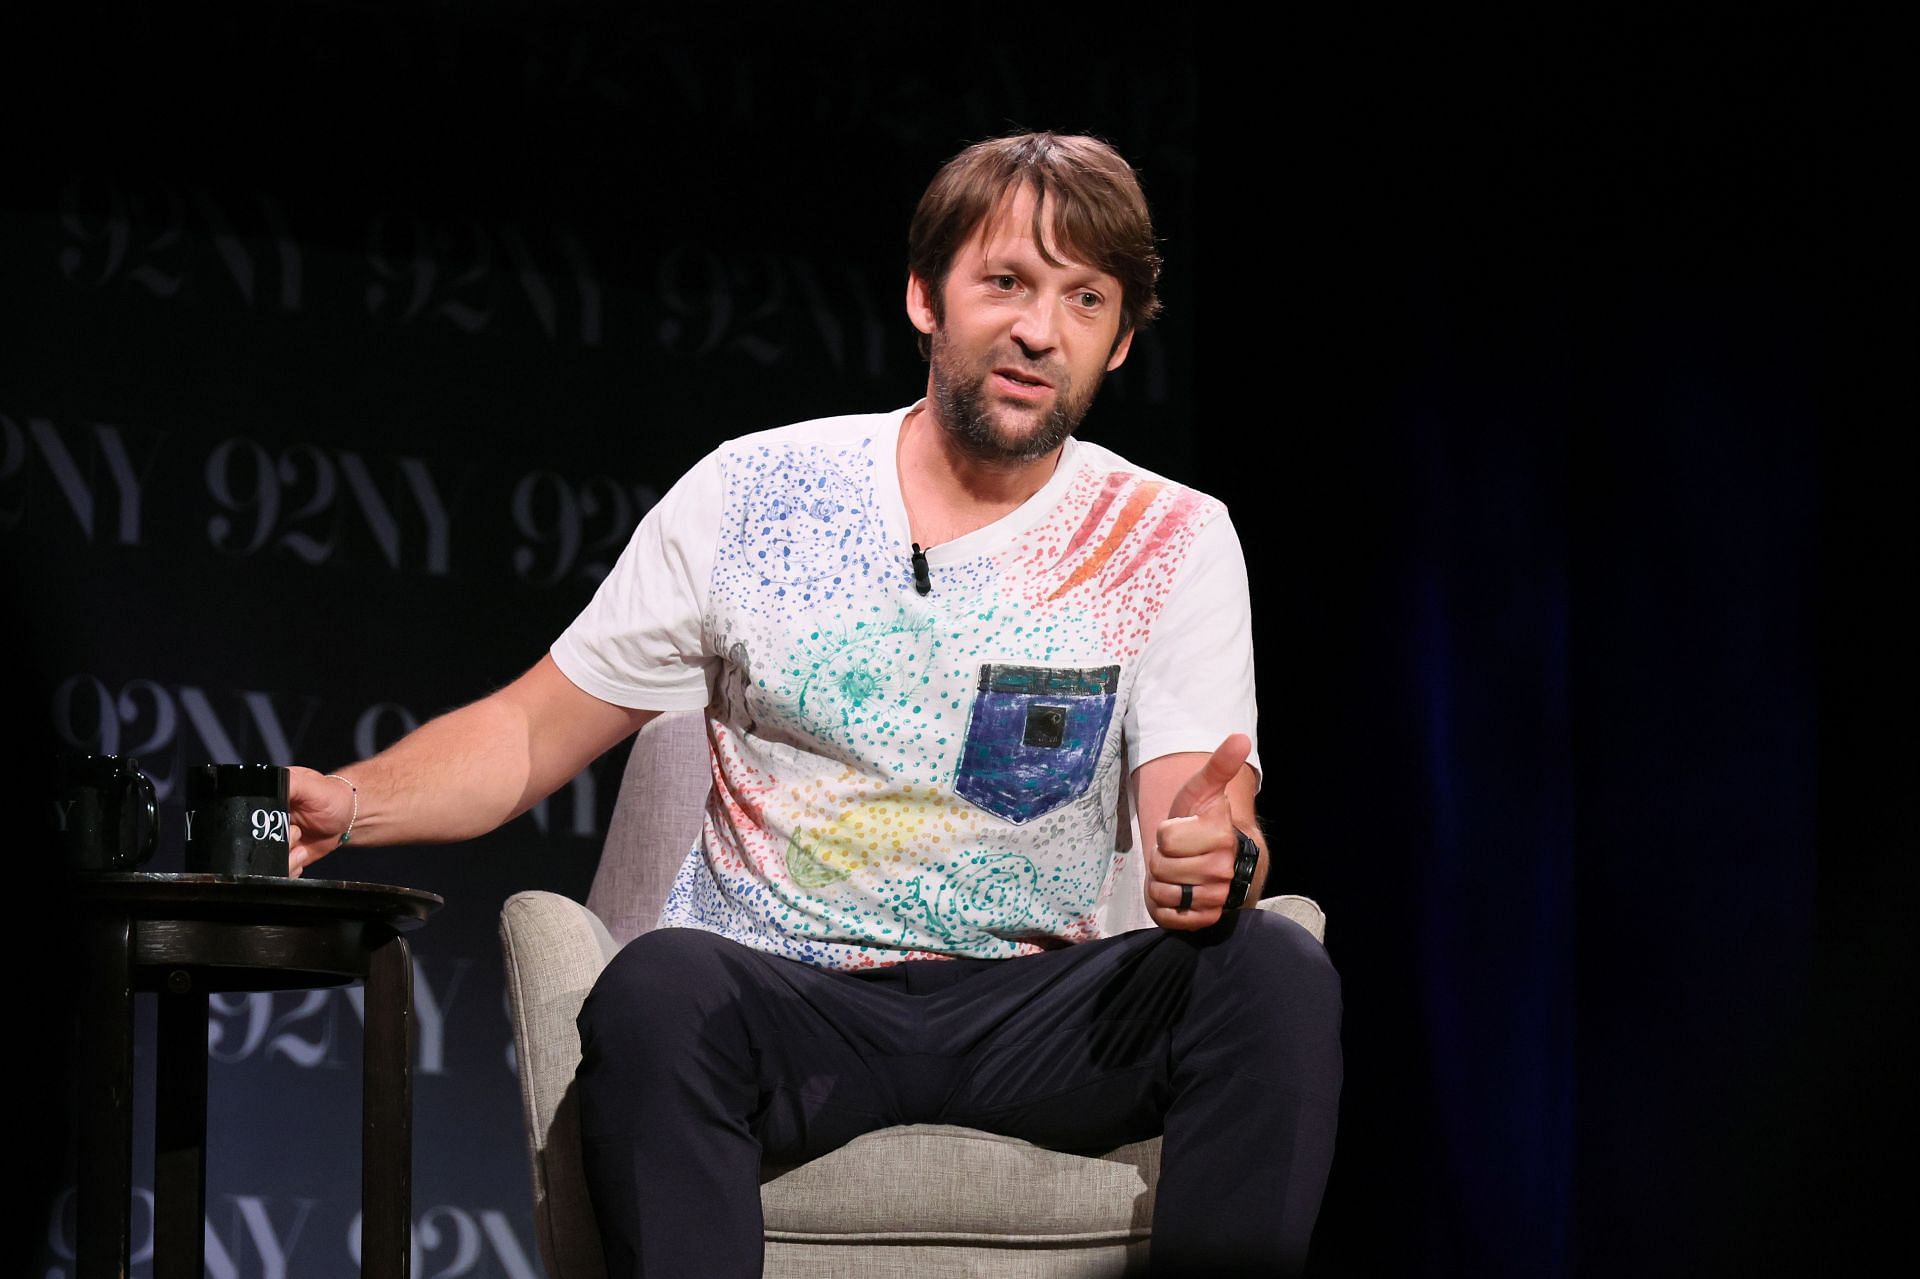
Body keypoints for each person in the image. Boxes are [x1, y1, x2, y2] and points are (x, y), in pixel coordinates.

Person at [287, 132, 1341, 1277]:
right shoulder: (756, 491)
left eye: (1086, 299)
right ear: (924, 297)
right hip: (790, 1006)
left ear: (1121, 340)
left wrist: (1212, 855)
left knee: (1271, 971)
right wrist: (350, 803)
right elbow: (533, 728)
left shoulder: (1169, 535)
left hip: (1039, 1015)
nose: (1041, 329)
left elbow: (1198, 801)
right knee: (657, 986)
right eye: (1007, 282)